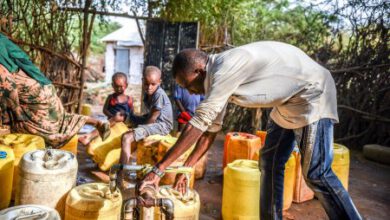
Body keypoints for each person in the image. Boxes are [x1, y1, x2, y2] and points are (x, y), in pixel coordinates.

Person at [140, 41, 362, 220]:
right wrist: (187, 168)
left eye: (187, 84)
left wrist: (158, 170)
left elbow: (199, 122)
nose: (188, 90)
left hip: (312, 92)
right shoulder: (219, 80)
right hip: (288, 102)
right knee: (270, 162)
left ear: (198, 71)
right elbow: (209, 131)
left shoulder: (225, 67)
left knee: (317, 174)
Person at [0, 33, 110, 148]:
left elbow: (8, 84)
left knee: (36, 130)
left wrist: (13, 115)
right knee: (60, 119)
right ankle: (97, 122)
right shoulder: (2, 40)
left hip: (32, 94)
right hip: (43, 85)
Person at [118, 66, 173, 164]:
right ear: (143, 80)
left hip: (162, 125)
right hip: (153, 120)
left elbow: (153, 118)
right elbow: (149, 116)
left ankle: (121, 172)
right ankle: (101, 129)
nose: (149, 87)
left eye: (153, 84)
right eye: (146, 84)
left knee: (126, 137)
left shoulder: (159, 94)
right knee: (125, 116)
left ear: (159, 82)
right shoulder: (148, 94)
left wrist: (138, 129)